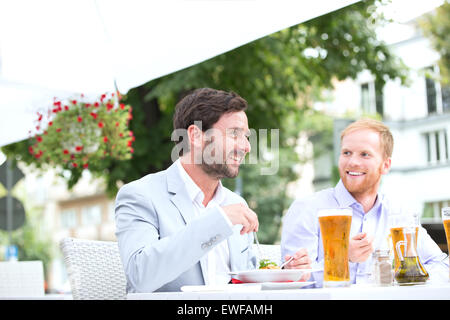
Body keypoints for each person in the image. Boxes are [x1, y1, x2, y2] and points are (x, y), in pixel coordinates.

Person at [115, 88, 310, 293]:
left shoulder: (236, 204)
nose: (246, 147)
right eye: (235, 134)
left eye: (246, 137)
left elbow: (247, 285)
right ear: (196, 136)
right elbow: (141, 275)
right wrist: (218, 221)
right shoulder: (141, 195)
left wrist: (283, 275)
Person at [281, 118, 449, 287]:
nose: (352, 162)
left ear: (385, 165)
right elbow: (294, 281)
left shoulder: (399, 215)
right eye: (346, 153)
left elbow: (441, 265)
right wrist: (343, 258)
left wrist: (404, 278)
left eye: (364, 154)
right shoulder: (307, 209)